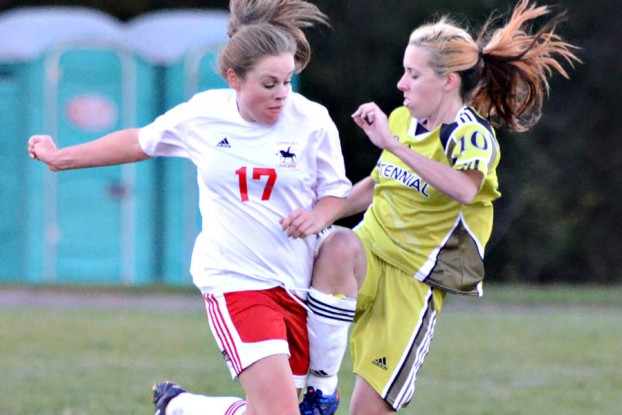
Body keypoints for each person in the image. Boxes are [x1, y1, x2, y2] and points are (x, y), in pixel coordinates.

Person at [27, 1, 352, 414]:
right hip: (236, 282)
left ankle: (181, 407)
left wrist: (318, 216)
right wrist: (62, 157)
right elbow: (139, 141)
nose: (282, 95)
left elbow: (336, 193)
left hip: (296, 281)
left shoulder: (313, 120)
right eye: (269, 84)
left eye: (287, 81)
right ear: (234, 79)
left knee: (345, 249)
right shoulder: (204, 114)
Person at [303, 1, 581, 414]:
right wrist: (319, 215)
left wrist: (394, 146)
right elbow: (379, 184)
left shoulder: (471, 135)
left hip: (412, 284)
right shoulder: (402, 120)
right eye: (404, 72)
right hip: (369, 255)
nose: (401, 83)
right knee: (337, 244)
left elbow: (464, 190)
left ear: (448, 81)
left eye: (413, 74)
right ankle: (320, 390)